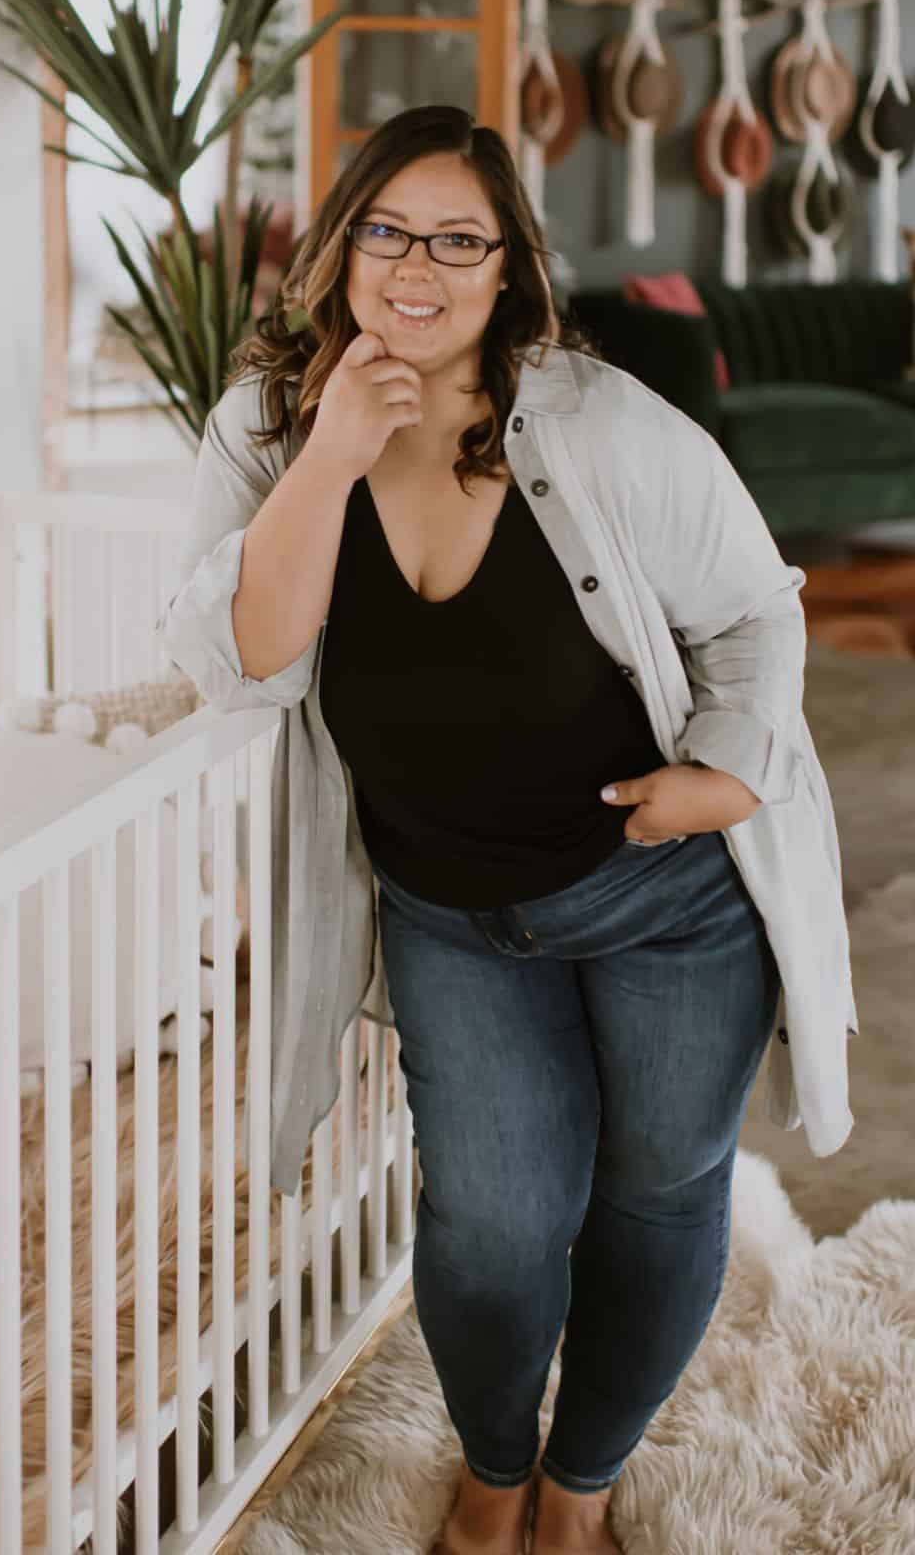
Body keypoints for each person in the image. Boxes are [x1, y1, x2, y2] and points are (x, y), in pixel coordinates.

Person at [156, 104, 857, 1555]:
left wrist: (722, 774)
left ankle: (579, 1485)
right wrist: (331, 456)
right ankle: (488, 1472)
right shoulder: (268, 427)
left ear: (505, 268)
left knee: (659, 1197)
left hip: (665, 899)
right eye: (388, 231)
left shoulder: (596, 421)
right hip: (449, 913)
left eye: (457, 239)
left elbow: (753, 607)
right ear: (341, 245)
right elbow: (241, 662)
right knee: (489, 1224)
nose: (418, 267)